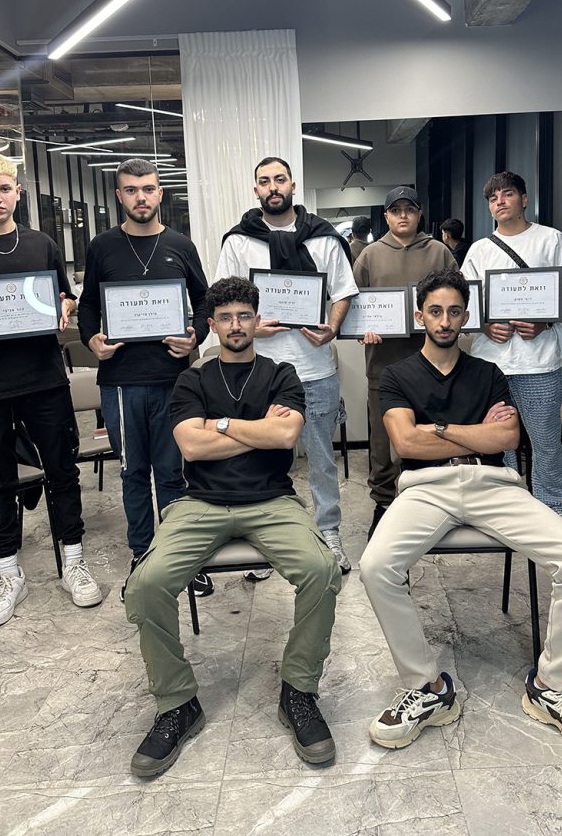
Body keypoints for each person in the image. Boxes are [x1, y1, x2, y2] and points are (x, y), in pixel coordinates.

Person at [359, 268, 562, 759]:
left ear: (466, 317)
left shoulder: (489, 373)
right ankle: (427, 688)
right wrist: (471, 432)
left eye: (455, 311)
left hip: (493, 483)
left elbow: (507, 438)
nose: (445, 320)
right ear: (420, 315)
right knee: (375, 566)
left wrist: (436, 430)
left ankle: (551, 687)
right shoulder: (397, 375)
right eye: (435, 311)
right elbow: (404, 443)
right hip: (424, 489)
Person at [125, 276, 341, 778]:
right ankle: (178, 703)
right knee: (146, 584)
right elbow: (190, 446)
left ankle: (298, 690)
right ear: (212, 324)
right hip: (200, 503)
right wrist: (257, 430)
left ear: (257, 320)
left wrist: (217, 424)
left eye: (244, 316)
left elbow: (286, 436)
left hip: (271, 501)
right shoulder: (192, 380)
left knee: (322, 569)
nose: (236, 325)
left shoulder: (281, 373)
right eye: (225, 318)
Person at [0, 153, 102, 627]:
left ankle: (73, 562)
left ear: (18, 193)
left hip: (45, 380)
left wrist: (65, 308)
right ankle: (9, 573)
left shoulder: (41, 243)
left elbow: (64, 295)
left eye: (5, 189)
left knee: (62, 471)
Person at [216, 157, 358, 573]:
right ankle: (264, 539)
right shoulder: (239, 242)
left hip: (314, 369)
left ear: (293, 185)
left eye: (279, 179)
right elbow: (223, 299)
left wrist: (332, 327)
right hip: (258, 373)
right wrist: (251, 328)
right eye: (264, 181)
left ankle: (328, 532)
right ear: (255, 190)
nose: (273, 187)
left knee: (322, 460)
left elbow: (343, 291)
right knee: (259, 459)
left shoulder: (323, 238)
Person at [78, 158, 209, 599]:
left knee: (173, 473)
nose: (141, 197)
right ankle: (142, 555)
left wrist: (195, 335)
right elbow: (88, 304)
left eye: (148, 189)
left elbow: (204, 300)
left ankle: (177, 556)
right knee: (133, 472)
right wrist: (91, 340)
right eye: (131, 190)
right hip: (120, 380)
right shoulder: (102, 246)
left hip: (173, 379)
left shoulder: (180, 245)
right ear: (120, 196)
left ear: (159, 193)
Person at [462, 171, 562, 519]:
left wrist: (545, 321)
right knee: (499, 440)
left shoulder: (550, 239)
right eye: (493, 197)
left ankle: (554, 507)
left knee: (545, 441)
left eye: (508, 194)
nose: (500, 201)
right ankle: (508, 507)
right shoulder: (480, 250)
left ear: (524, 199)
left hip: (538, 360)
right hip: (491, 362)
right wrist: (484, 326)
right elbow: (465, 297)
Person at [353, 186, 456, 536]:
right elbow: (353, 307)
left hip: (435, 367)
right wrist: (362, 328)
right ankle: (383, 504)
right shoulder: (369, 256)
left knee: (434, 434)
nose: (402, 216)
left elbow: (458, 299)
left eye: (409, 209)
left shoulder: (439, 252)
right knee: (383, 443)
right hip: (383, 366)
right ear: (385, 216)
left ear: (419, 213)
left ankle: (431, 505)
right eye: (395, 210)